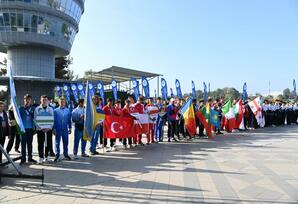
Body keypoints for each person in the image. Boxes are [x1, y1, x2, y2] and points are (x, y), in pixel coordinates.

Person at [34, 95, 54, 164]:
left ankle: (46, 157)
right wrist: (41, 128)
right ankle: (40, 157)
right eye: (43, 100)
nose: (44, 101)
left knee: (48, 143)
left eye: (45, 100)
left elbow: (52, 119)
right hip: (40, 130)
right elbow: (35, 119)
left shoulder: (51, 109)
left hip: (48, 130)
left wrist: (49, 128)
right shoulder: (37, 109)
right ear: (41, 100)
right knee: (40, 144)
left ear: (48, 101)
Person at [19, 94, 37, 164]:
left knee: (30, 144)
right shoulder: (21, 108)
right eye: (26, 99)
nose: (27, 101)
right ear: (24, 100)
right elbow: (17, 118)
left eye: (29, 99)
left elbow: (36, 118)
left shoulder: (33, 109)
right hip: (23, 129)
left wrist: (35, 128)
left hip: (30, 129)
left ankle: (30, 158)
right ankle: (23, 158)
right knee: (23, 144)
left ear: (31, 100)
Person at [53, 98, 72, 162]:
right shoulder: (55, 111)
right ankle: (57, 155)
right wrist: (54, 129)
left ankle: (66, 155)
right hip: (58, 129)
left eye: (63, 102)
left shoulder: (68, 110)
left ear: (65, 102)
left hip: (65, 129)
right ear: (59, 103)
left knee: (66, 142)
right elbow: (54, 120)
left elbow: (69, 120)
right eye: (61, 102)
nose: (62, 103)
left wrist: (70, 128)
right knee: (57, 143)